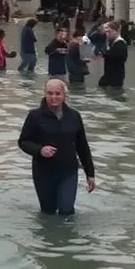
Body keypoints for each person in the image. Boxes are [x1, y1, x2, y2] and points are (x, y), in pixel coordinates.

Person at [17, 78, 96, 215]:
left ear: (64, 95)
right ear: (45, 94)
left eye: (58, 93)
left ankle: (69, 236)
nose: (54, 97)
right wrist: (40, 150)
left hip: (68, 171)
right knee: (48, 211)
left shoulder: (74, 116)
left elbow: (82, 145)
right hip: (43, 172)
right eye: (50, 93)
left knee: (66, 210)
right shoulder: (35, 116)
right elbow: (23, 142)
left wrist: (90, 173)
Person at [97, 21, 128, 87]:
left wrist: (105, 54)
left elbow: (119, 57)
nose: (107, 34)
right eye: (106, 32)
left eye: (109, 31)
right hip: (109, 75)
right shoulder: (112, 42)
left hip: (115, 77)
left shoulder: (120, 44)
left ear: (115, 31)